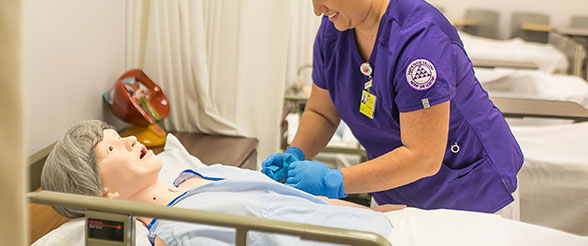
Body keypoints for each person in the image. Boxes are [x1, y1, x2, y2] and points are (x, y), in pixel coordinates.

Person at [261, 0, 524, 218]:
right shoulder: (334, 31)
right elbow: (322, 112)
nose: (317, 9)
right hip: (395, 188)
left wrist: (335, 181)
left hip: (470, 193)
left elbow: (423, 156)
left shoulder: (419, 39)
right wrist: (295, 153)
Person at [41, 120, 402, 246]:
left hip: (384, 226)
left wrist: (379, 211)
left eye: (120, 136)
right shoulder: (173, 232)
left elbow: (302, 204)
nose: (132, 141)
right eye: (112, 148)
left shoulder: (192, 175)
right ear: (105, 194)